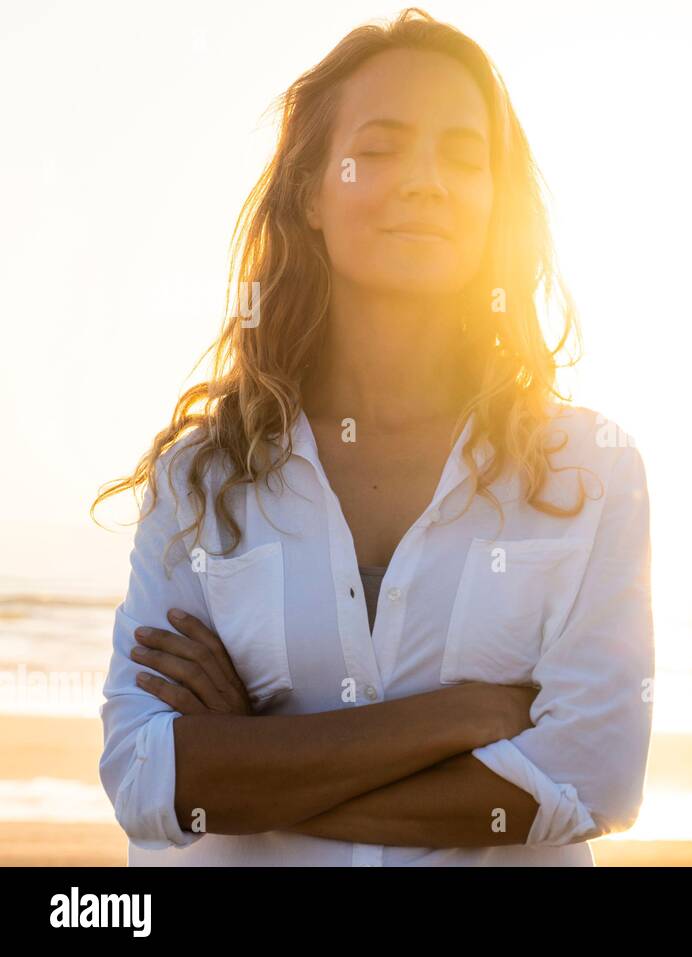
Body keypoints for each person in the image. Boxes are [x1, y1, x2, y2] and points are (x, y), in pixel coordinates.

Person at [91, 7, 654, 866]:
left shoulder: (589, 472)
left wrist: (256, 766)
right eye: (381, 148)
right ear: (311, 192)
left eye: (464, 155)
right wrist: (457, 719)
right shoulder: (203, 477)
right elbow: (144, 776)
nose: (425, 180)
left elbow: (592, 778)